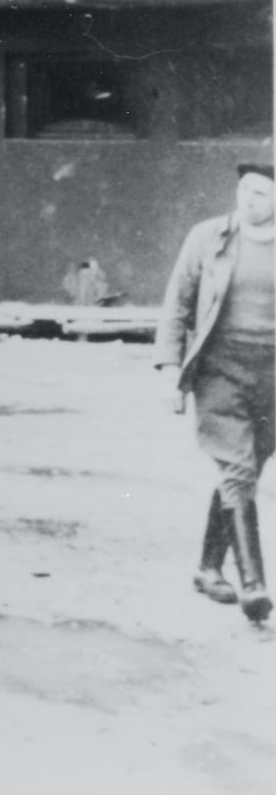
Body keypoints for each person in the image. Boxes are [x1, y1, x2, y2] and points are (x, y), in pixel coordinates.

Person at [156, 160, 275, 625]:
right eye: (245, 190)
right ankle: (254, 584)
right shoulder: (208, 238)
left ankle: (208, 568)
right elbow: (177, 304)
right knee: (239, 467)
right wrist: (170, 372)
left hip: (271, 378)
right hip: (219, 372)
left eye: (262, 194)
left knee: (243, 470)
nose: (249, 199)